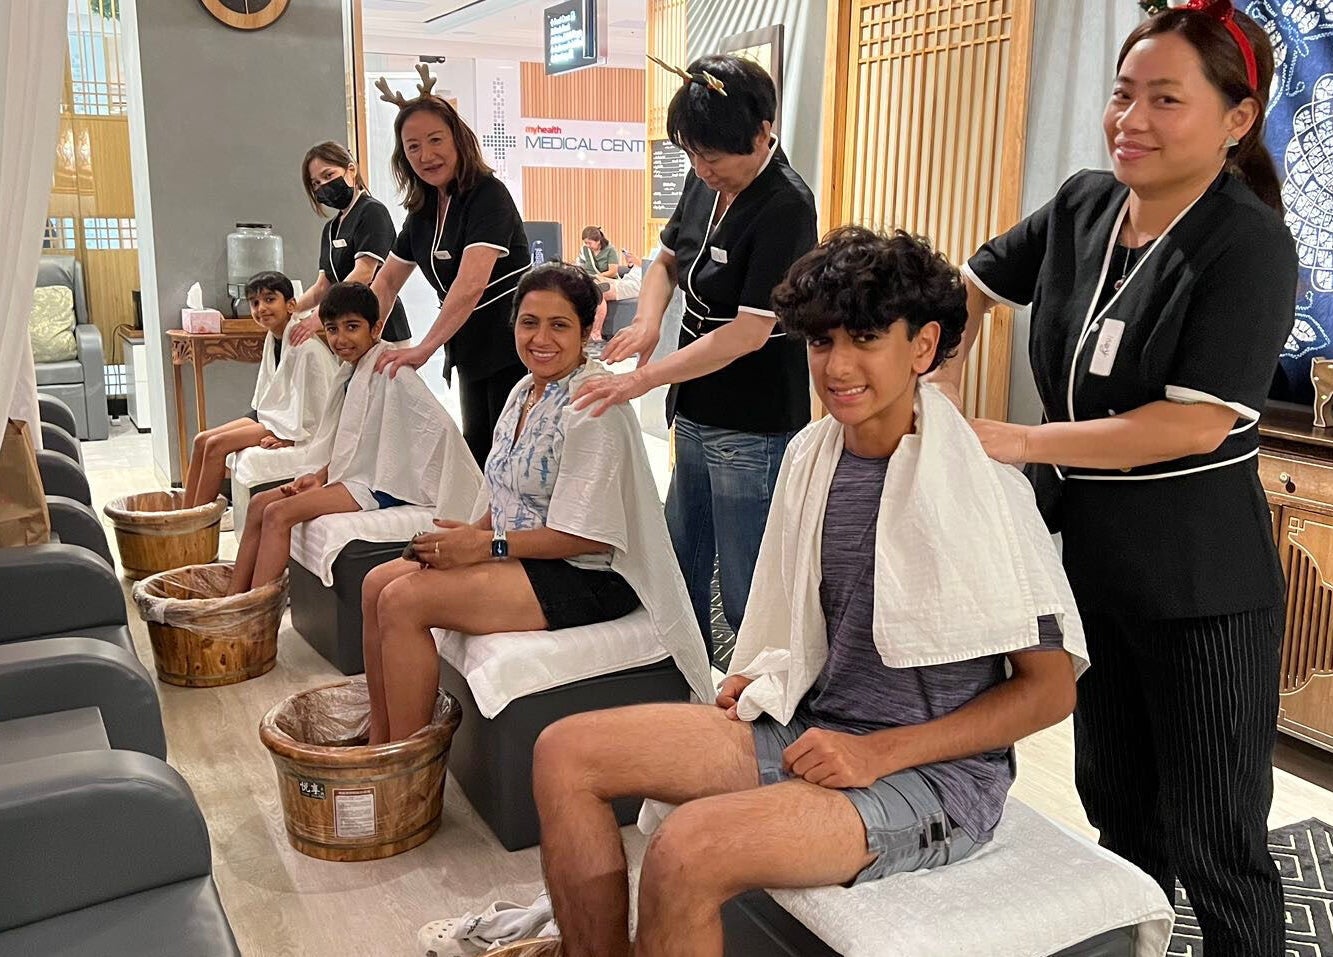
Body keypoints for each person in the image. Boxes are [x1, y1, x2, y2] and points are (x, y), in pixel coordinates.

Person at [515, 229, 1085, 957]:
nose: (837, 366)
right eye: (820, 342)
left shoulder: (983, 490)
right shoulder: (812, 456)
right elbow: (805, 621)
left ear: (923, 345)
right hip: (812, 721)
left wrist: (878, 753)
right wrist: (766, 668)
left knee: (687, 848)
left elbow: (1048, 691)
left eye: (866, 339)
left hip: (934, 776)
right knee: (565, 751)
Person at [945, 5, 1296, 954]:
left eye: (1165, 99)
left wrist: (1018, 440)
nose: (1129, 119)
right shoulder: (1083, 205)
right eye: (1121, 93)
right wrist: (928, 361)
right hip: (1090, 572)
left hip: (1200, 589)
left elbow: (1188, 422)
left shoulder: (1245, 243)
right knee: (1119, 817)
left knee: (1217, 840)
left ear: (1235, 119)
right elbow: (969, 287)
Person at [360, 263, 713, 745]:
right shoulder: (524, 390)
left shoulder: (593, 404)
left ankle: (402, 768)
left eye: (559, 325)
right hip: (523, 553)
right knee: (375, 582)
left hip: (586, 573)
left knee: (405, 600)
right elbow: (502, 491)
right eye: (530, 323)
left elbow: (586, 535)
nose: (541, 338)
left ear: (589, 330)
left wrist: (484, 546)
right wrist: (465, 536)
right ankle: (379, 747)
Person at [573, 55, 819, 662]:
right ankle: (690, 685)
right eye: (694, 155)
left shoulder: (786, 205)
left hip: (754, 419)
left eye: (716, 158)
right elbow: (663, 262)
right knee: (682, 556)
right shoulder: (703, 180)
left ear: (765, 132)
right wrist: (651, 323)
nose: (704, 170)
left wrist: (645, 380)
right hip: (697, 405)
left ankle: (761, 702)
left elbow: (746, 334)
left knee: (745, 585)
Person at [228, 282, 466, 596]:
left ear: (376, 328)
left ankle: (252, 616)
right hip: (361, 477)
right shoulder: (350, 372)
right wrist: (320, 475)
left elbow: (438, 430)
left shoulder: (392, 371)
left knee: (278, 513)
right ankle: (230, 600)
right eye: (333, 329)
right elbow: (354, 443)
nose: (341, 339)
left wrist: (398, 479)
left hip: (384, 486)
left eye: (352, 327)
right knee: (259, 503)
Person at [369, 66, 532, 466]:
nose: (426, 155)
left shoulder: (488, 196)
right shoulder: (423, 209)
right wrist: (363, 335)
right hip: (470, 349)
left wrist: (425, 347)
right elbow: (387, 281)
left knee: (505, 454)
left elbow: (471, 284)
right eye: (413, 147)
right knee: (476, 445)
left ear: (458, 140)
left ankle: (504, 530)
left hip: (511, 346)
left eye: (435, 140)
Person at [181, 271, 337, 508]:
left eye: (269, 299)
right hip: (275, 415)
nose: (261, 308)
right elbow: (270, 393)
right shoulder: (273, 337)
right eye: (254, 302)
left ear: (291, 305)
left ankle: (196, 529)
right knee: (201, 440)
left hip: (291, 424)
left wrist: (290, 439)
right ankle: (184, 517)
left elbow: (324, 405)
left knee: (215, 445)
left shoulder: (306, 348)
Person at [288, 141, 411, 345]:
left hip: (383, 329)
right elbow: (322, 287)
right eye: (316, 184)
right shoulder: (330, 229)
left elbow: (364, 273)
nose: (323, 187)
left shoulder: (372, 212)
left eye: (328, 176)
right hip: (345, 331)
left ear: (351, 170)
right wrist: (291, 309)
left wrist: (319, 316)